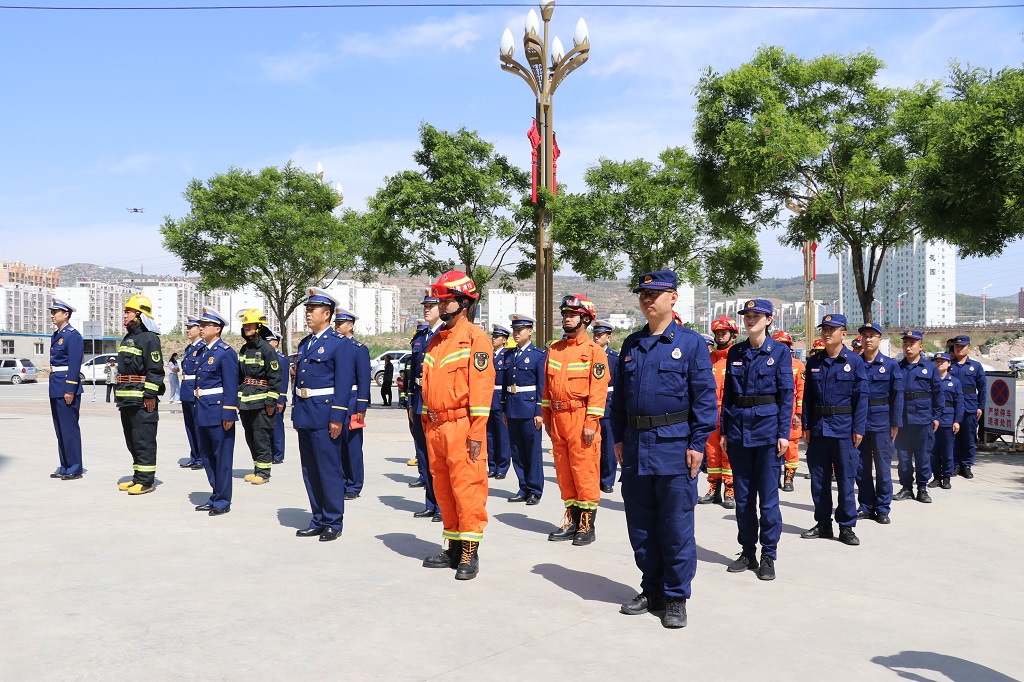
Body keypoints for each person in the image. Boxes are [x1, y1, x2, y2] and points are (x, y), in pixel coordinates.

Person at [611, 270, 717, 629]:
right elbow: (619, 400)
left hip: (675, 448)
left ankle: (675, 596)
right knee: (641, 527)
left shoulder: (690, 344)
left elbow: (705, 398)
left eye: (655, 293)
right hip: (637, 447)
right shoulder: (631, 345)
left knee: (675, 527)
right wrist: (619, 438)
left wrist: (697, 443)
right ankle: (651, 588)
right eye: (643, 293)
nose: (647, 299)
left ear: (673, 297)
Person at [419, 270, 494, 580]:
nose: (442, 303)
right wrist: (426, 421)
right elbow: (428, 386)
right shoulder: (436, 341)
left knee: (467, 488)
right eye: (441, 298)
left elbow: (481, 388)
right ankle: (452, 544)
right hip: (436, 427)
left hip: (463, 426)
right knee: (443, 488)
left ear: (464, 302)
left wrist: (476, 431)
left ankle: (469, 551)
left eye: (447, 299)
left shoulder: (476, 338)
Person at [720, 300, 793, 581]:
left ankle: (768, 555)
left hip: (767, 434)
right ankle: (748, 551)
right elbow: (728, 395)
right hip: (739, 432)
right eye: (747, 316)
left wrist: (783, 434)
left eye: (756, 316)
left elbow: (787, 397)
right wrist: (725, 430)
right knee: (743, 499)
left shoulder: (780, 352)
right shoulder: (735, 352)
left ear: (768, 320)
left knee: (769, 501)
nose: (750, 320)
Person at [542, 295, 609, 546]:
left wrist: (591, 422)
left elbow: (598, 391)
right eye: (565, 315)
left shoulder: (594, 353)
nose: (566, 318)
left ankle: (586, 525)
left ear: (585, 319)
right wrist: (547, 418)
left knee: (584, 471)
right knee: (564, 473)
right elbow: (547, 389)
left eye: (572, 315)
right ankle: (571, 519)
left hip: (581, 418)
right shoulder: (555, 349)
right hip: (558, 420)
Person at [292, 287, 356, 542]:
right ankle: (317, 518)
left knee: (329, 469)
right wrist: (297, 414)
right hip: (306, 414)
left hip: (326, 414)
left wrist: (337, 417)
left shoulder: (339, 343)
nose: (308, 314)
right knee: (310, 470)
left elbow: (343, 384)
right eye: (307, 310)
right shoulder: (306, 343)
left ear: (327, 313)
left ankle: (333, 521)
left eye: (312, 310)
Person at [800, 314, 866, 546]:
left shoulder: (855, 361)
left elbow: (861, 398)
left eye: (832, 329)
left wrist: (858, 428)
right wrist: (806, 425)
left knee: (846, 481)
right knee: (819, 480)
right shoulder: (815, 362)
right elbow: (807, 397)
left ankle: (846, 527)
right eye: (824, 329)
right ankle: (823, 524)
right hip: (818, 429)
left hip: (844, 429)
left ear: (843, 334)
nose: (827, 333)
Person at [115, 294, 165, 495]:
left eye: (128, 312)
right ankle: (137, 476)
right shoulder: (129, 338)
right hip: (127, 397)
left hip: (142, 400)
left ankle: (145, 481)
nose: (124, 315)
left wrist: (150, 396)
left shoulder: (149, 338)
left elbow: (155, 369)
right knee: (132, 440)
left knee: (144, 439)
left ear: (139, 315)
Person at [854, 323, 904, 525]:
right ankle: (866, 505)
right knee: (861, 467)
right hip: (859, 421)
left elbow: (897, 395)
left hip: (882, 421)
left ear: (879, 339)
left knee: (883, 468)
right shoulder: (854, 363)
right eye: (864, 336)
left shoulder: (891, 365)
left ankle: (883, 508)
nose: (868, 339)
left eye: (872, 336)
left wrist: (896, 422)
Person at [192, 307, 238, 516]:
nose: (201, 329)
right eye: (200, 325)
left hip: (219, 411)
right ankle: (215, 494)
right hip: (203, 410)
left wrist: (229, 413)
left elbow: (231, 386)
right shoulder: (203, 351)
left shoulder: (225, 353)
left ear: (217, 329)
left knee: (222, 459)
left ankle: (223, 500)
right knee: (208, 457)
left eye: (205, 325)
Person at [502, 314, 546, 505]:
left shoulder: (538, 355)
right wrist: (504, 409)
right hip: (512, 408)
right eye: (514, 330)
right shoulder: (509, 355)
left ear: (530, 331)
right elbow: (505, 384)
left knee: (533, 452)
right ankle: (523, 487)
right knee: (517, 451)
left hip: (529, 410)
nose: (516, 333)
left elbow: (542, 386)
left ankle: (535, 489)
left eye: (520, 330)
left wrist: (539, 411)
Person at [894, 330, 942, 503]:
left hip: (923, 419)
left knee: (923, 456)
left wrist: (936, 416)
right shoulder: (897, 367)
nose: (908, 347)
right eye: (905, 343)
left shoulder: (929, 368)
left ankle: (922, 488)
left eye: (912, 344)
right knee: (904, 458)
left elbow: (938, 393)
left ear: (920, 347)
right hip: (902, 421)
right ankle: (906, 488)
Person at [238, 309, 283, 485]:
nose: (247, 328)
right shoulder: (244, 349)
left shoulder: (266, 349)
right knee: (250, 437)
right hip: (246, 402)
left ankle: (264, 472)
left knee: (261, 437)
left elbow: (275, 377)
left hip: (262, 401)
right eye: (245, 325)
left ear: (259, 327)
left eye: (250, 325)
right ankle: (257, 468)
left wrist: (271, 401)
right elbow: (239, 377)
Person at [700, 315, 739, 509]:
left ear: (733, 334)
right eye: (717, 333)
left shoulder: (738, 358)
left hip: (730, 412)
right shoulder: (708, 359)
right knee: (712, 452)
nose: (720, 336)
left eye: (724, 333)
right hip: (709, 412)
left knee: (728, 452)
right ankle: (713, 489)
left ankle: (729, 491)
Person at [409, 296, 443, 521]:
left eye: (431, 306)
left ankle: (442, 506)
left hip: (438, 401)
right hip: (420, 401)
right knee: (423, 455)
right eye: (425, 307)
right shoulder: (421, 337)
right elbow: (412, 373)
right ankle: (431, 502)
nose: (427, 310)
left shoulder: (445, 336)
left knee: (439, 456)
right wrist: (411, 402)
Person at [334, 309, 371, 500]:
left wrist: (361, 407)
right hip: (336, 403)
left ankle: (354, 485)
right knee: (337, 446)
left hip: (352, 402)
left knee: (353, 447)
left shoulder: (358, 348)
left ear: (351, 326)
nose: (337, 327)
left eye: (341, 324)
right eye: (336, 323)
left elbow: (364, 379)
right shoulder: (334, 346)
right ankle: (341, 482)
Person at [47, 297, 85, 480]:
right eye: (52, 312)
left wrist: (70, 389)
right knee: (60, 429)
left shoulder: (73, 335)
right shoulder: (56, 335)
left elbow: (75, 364)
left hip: (66, 387)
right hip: (56, 385)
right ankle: (65, 465)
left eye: (55, 312)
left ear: (66, 314)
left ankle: (75, 467)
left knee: (69, 428)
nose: (52, 315)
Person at [949, 334, 986, 479]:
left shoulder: (975, 366)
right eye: (957, 346)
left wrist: (980, 407)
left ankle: (967, 465)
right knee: (953, 437)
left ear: (968, 348)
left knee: (969, 438)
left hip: (970, 406)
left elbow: (982, 388)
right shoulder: (948, 364)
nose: (959, 349)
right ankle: (955, 465)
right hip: (952, 406)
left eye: (962, 346)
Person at [771, 330, 804, 491]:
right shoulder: (769, 362)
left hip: (791, 411)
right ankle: (774, 477)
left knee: (791, 446)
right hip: (772, 409)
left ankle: (789, 478)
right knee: (772, 446)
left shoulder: (798, 365)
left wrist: (798, 412)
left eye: (785, 345)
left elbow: (802, 390)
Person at [929, 353, 964, 493]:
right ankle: (936, 477)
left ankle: (947, 478)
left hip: (948, 420)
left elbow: (959, 403)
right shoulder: (930, 380)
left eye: (942, 361)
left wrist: (957, 421)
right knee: (933, 451)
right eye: (936, 362)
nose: (939, 364)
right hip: (933, 420)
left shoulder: (954, 382)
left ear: (949, 364)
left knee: (948, 451)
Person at [592, 320, 618, 494]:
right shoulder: (588, 354)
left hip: (608, 405)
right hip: (591, 405)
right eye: (595, 334)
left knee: (608, 446)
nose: (596, 337)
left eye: (600, 334)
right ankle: (594, 477)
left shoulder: (614, 358)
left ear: (608, 337)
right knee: (592, 445)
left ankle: (607, 480)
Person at [178, 317, 205, 470]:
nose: (188, 330)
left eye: (191, 327)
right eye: (187, 327)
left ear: (199, 329)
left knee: (197, 425)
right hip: (186, 389)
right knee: (189, 425)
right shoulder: (189, 348)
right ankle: (194, 455)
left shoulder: (202, 348)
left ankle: (201, 457)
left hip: (195, 390)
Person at [487, 324, 512, 480]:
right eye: (493, 336)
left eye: (497, 337)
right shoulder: (488, 356)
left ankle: (502, 467)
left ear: (504, 340)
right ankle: (492, 465)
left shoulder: (507, 356)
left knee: (502, 436)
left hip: (500, 399)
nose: (493, 339)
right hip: (488, 399)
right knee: (489, 435)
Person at [266, 330, 289, 465]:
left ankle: (278, 454)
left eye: (268, 341)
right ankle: (269, 452)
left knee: (277, 427)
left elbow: (284, 380)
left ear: (275, 342)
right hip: (266, 396)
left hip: (277, 398)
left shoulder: (281, 359)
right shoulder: (265, 357)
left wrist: (281, 399)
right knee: (267, 427)